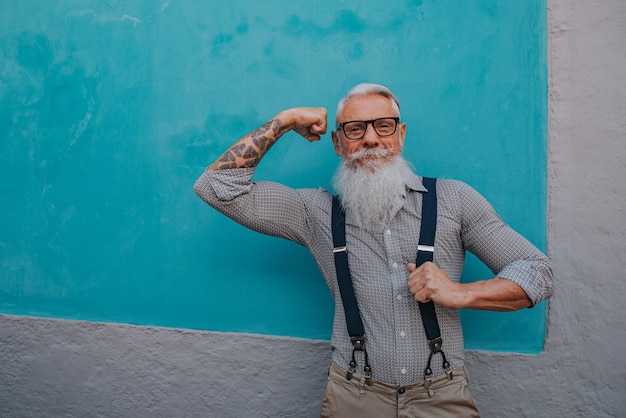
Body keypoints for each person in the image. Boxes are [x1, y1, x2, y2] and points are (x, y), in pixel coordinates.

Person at [194, 83, 554, 417]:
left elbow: (538, 271)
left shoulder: (454, 200)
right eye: (355, 129)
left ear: (401, 134)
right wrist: (285, 121)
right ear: (337, 143)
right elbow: (216, 186)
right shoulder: (315, 213)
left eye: (384, 126)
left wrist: (461, 293)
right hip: (354, 397)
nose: (371, 139)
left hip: (441, 396)